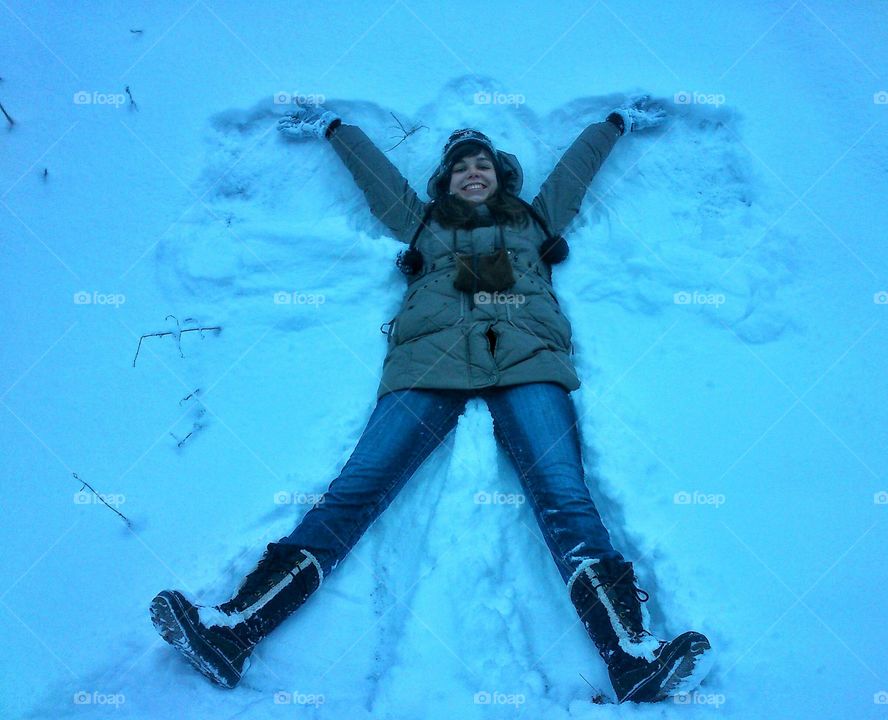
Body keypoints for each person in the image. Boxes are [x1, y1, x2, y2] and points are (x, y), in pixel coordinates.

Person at [150, 96, 714, 703]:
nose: (474, 173)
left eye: (484, 166)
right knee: (353, 492)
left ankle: (631, 657)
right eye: (461, 167)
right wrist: (336, 129)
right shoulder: (422, 225)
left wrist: (613, 124)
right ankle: (232, 632)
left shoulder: (534, 221)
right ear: (445, 180)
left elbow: (575, 173)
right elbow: (377, 179)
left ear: (503, 176)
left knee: (565, 497)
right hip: (428, 366)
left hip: (526, 362)